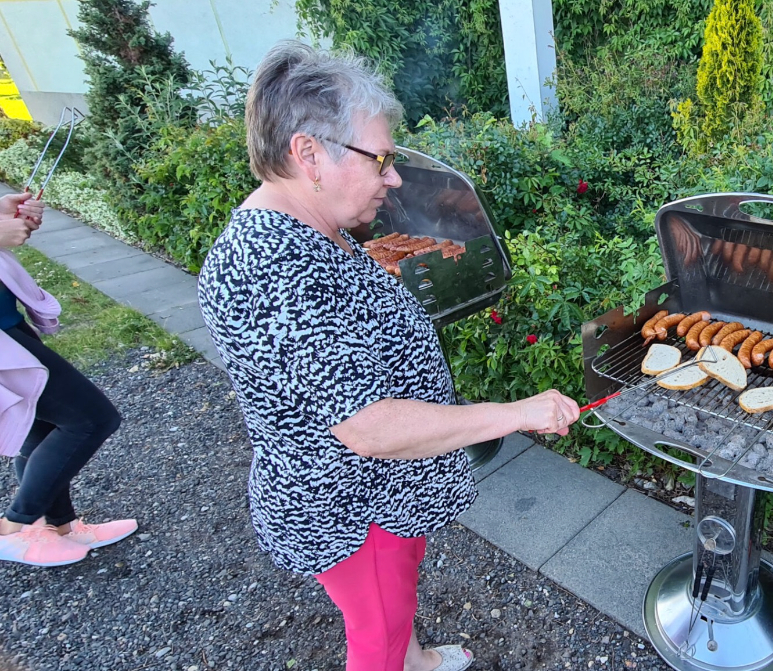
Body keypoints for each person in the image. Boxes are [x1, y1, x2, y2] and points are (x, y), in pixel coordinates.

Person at [197, 41, 579, 671]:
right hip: (354, 510)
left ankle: (419, 658)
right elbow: (370, 426)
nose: (394, 178)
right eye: (380, 160)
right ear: (308, 153)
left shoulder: (311, 228)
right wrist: (516, 412)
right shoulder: (273, 266)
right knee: (375, 637)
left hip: (383, 496)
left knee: (393, 612)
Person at [0, 192, 137, 567]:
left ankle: (58, 525)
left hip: (7, 323)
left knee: (42, 425)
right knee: (91, 418)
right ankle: (14, 529)